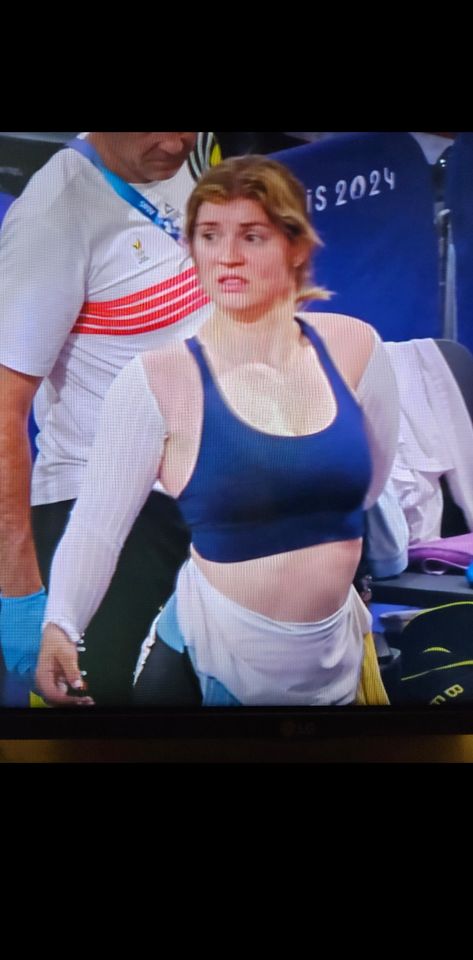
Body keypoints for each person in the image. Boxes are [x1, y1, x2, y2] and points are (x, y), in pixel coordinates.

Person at [36, 155, 399, 707]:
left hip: (337, 659)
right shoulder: (157, 380)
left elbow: (369, 487)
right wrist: (61, 626)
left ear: (296, 246)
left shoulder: (356, 347)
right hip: (209, 669)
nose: (227, 256)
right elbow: (96, 528)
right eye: (210, 235)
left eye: (251, 236)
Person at [0, 131, 221, 705]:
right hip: (101, 504)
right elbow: (3, 409)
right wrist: (19, 593)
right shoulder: (54, 217)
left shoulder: (195, 150)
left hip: (206, 493)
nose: (175, 142)